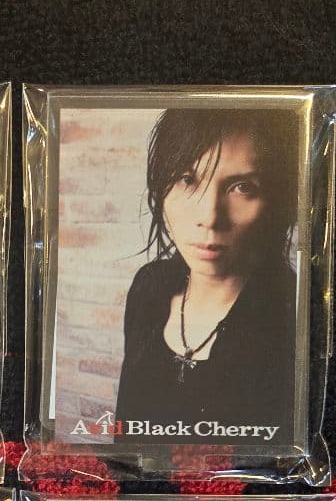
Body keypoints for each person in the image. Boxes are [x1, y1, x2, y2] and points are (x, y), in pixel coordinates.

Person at [114, 109, 299, 447]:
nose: (210, 217)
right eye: (187, 179)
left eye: (242, 187)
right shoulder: (149, 287)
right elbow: (125, 440)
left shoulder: (294, 317)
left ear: (278, 201)